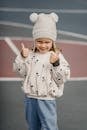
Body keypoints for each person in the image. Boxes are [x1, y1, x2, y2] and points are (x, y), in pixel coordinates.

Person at [13, 12, 70, 130]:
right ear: (35, 40)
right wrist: (22, 57)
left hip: (47, 100)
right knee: (33, 126)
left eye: (47, 42)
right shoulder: (30, 55)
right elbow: (21, 72)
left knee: (49, 127)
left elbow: (62, 79)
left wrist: (56, 64)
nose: (43, 45)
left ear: (53, 42)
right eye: (39, 41)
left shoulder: (56, 56)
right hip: (30, 98)